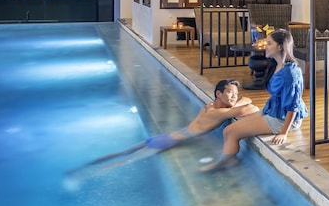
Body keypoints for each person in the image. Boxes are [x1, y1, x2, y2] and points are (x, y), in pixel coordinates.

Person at [66, 79, 259, 177]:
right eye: (230, 93)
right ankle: (85, 175)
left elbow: (244, 101)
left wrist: (235, 101)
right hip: (167, 142)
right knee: (126, 161)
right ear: (219, 93)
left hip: (166, 136)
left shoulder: (209, 106)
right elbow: (249, 106)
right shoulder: (218, 113)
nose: (234, 97)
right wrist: (238, 103)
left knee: (124, 152)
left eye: (236, 93)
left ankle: (84, 167)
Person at [200, 29, 308, 171]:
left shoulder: (290, 73)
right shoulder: (275, 64)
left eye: (269, 43)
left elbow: (293, 105)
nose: (265, 46)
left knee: (233, 132)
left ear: (280, 47)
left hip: (283, 118)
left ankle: (225, 162)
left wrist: (283, 133)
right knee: (228, 130)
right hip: (273, 110)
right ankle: (230, 159)